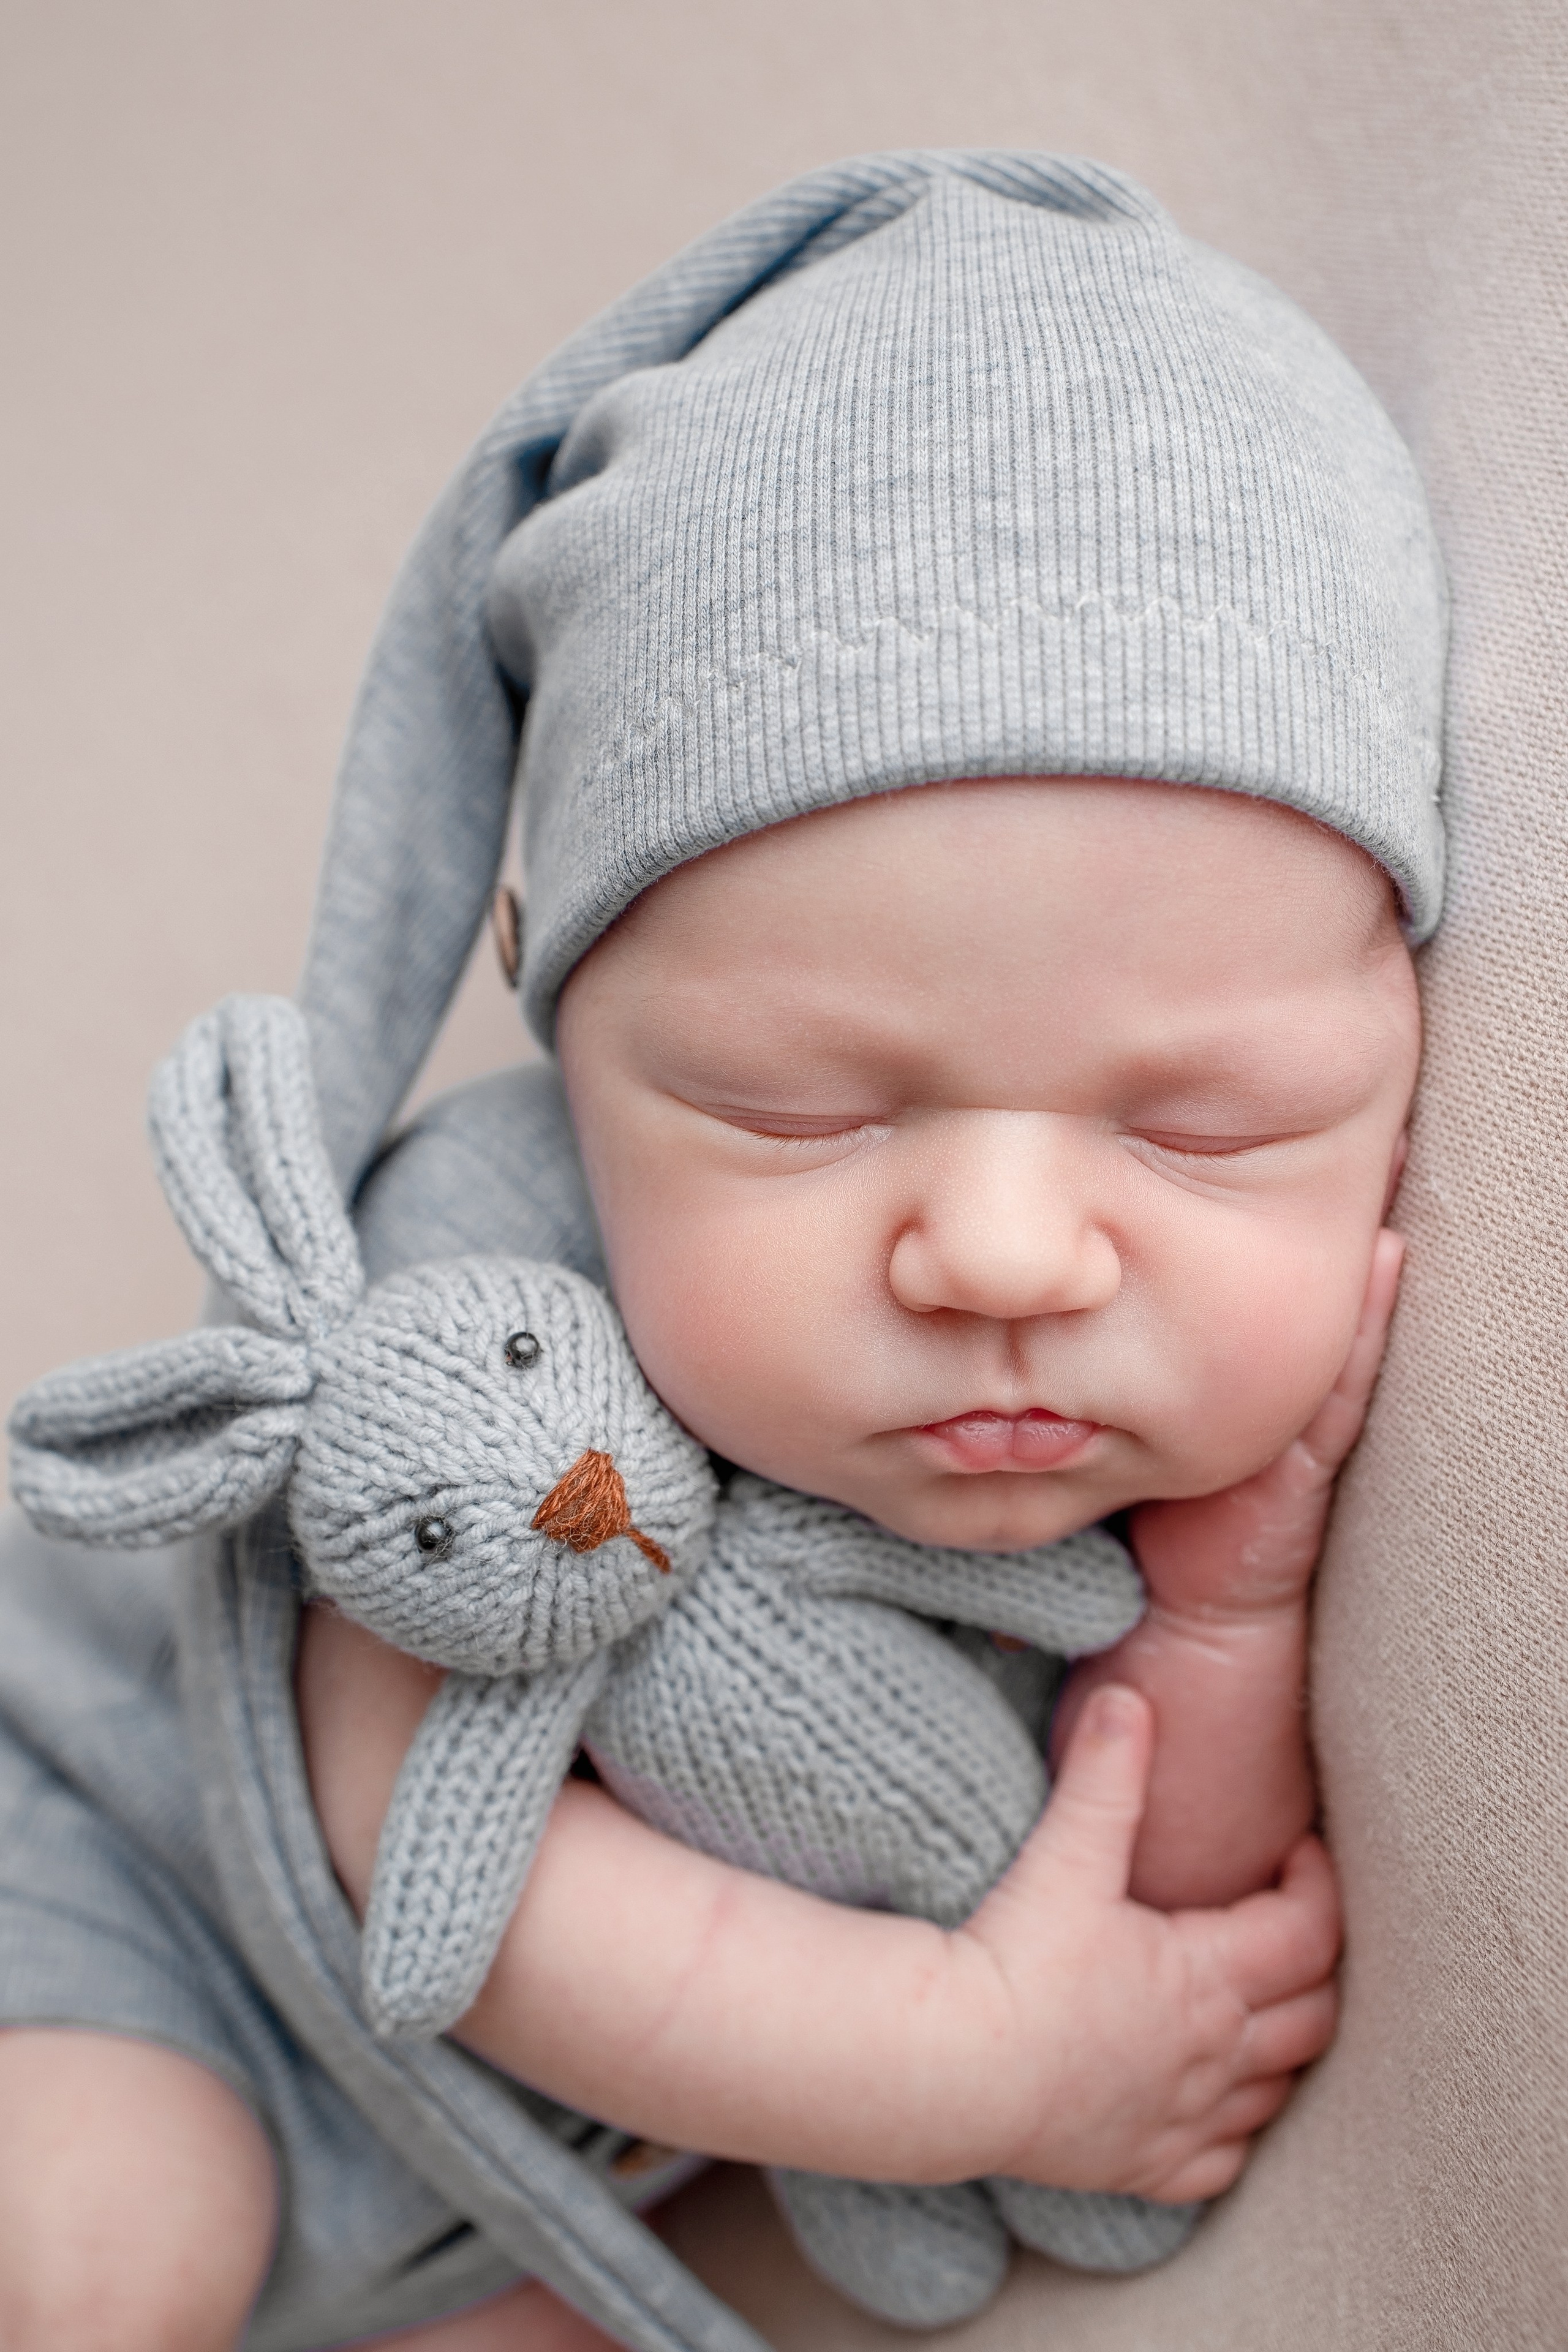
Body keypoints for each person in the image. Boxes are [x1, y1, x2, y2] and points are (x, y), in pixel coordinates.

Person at [0, 149, 1444, 2351]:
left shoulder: (1170, 1438)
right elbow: (440, 1870)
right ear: (560, 1026)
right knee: (113, 2250)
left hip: (518, 2186)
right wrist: (984, 2069)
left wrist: (1231, 1620)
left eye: (1199, 1125)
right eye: (799, 1109)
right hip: (115, 1879)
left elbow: (1137, 1896)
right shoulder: (478, 1311)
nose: (998, 1249)